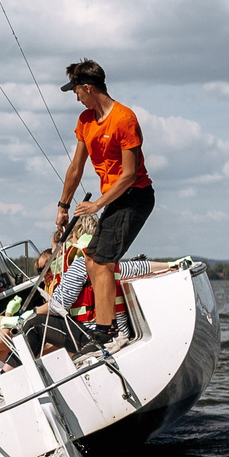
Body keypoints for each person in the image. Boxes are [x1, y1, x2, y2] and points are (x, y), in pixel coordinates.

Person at [51, 60, 154, 348]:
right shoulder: (85, 121)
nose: (76, 97)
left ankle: (106, 330)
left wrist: (97, 205)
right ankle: (104, 328)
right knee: (92, 259)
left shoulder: (124, 119)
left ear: (88, 87)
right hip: (114, 200)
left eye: (76, 91)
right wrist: (63, 205)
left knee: (102, 260)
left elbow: (130, 174)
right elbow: (76, 167)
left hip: (135, 197)